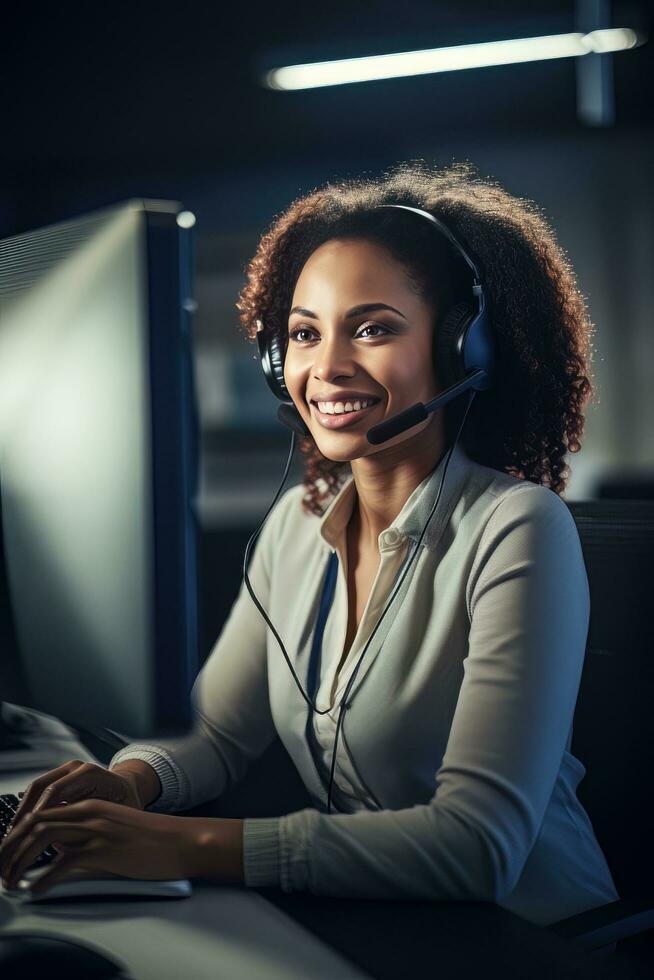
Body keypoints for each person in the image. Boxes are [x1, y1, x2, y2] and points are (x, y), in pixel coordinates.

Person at [0, 161, 619, 926]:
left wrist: (177, 844)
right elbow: (220, 734)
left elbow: (478, 846)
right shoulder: (297, 525)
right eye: (302, 333)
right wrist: (131, 785)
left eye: (373, 328)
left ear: (465, 351)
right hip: (394, 927)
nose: (325, 368)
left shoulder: (517, 528)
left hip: (534, 942)